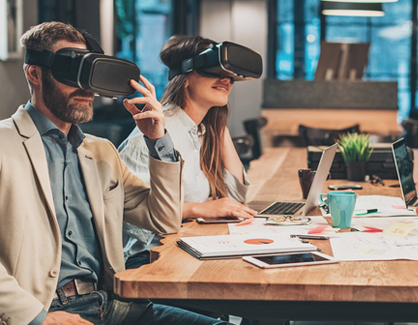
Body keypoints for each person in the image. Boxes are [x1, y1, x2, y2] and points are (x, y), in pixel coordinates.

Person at [0, 21, 230, 325]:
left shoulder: (101, 152)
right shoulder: (4, 145)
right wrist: (37, 318)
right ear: (35, 73)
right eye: (72, 72)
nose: (85, 88)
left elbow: (163, 218)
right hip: (45, 309)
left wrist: (157, 140)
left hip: (112, 305)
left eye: (91, 74)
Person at [118, 35, 258, 269]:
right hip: (150, 260)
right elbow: (131, 216)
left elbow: (234, 197)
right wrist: (199, 208)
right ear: (184, 79)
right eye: (214, 70)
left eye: (230, 75)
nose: (226, 79)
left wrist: (218, 122)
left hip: (190, 247)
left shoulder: (202, 130)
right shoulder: (152, 136)